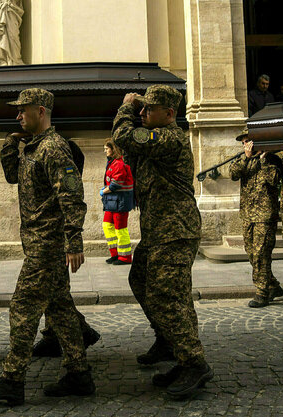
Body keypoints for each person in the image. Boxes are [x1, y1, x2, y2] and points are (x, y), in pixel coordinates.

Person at [0, 88, 94, 405]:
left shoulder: (54, 149)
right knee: (60, 309)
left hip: (48, 244)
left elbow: (72, 196)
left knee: (23, 308)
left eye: (22, 110)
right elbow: (13, 175)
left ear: (40, 111)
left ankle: (12, 380)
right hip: (37, 241)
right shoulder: (32, 148)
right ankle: (79, 375)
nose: (17, 115)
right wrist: (10, 142)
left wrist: (74, 241)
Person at [112, 85, 212, 399]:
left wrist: (126, 108)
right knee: (140, 278)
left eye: (148, 109)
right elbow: (130, 153)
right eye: (141, 109)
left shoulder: (171, 137)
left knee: (169, 295)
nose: (142, 113)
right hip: (158, 230)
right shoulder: (154, 140)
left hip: (176, 230)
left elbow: (124, 138)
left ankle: (194, 362)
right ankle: (168, 341)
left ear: (168, 114)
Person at [229, 129, 283, 308]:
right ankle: (273, 285)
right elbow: (233, 174)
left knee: (261, 254)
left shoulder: (272, 160)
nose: (246, 145)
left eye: (248, 141)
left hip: (265, 214)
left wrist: (263, 161)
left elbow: (275, 180)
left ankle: (262, 292)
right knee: (252, 254)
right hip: (248, 214)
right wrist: (246, 157)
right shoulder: (243, 160)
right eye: (244, 143)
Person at [100, 138, 135, 265]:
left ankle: (125, 257)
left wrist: (104, 191)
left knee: (121, 229)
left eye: (106, 149)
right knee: (107, 225)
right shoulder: (113, 163)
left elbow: (116, 183)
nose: (105, 151)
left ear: (113, 149)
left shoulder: (119, 164)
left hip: (120, 201)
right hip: (113, 201)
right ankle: (115, 254)